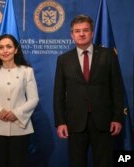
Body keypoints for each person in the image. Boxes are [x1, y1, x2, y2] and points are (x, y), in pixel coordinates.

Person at [53, 15, 124, 167]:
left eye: (85, 30)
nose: (81, 34)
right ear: (72, 35)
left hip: (104, 121)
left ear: (92, 33)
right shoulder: (63, 59)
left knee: (105, 163)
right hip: (75, 122)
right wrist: (60, 121)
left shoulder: (108, 55)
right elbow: (58, 93)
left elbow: (117, 88)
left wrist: (117, 117)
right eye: (77, 31)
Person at [0, 34, 39, 167]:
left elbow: (34, 99)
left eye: (9, 47)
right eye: (1, 47)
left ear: (16, 49)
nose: (5, 51)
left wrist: (16, 113)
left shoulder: (27, 71)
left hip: (20, 127)